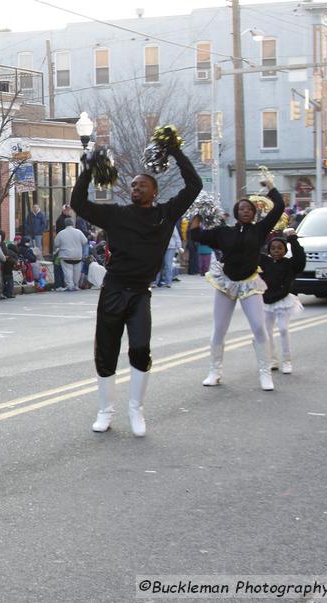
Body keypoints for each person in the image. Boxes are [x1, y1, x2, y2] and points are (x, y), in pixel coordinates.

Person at [71, 144, 201, 436]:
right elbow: (79, 202)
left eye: (142, 185)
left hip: (140, 292)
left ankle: (135, 408)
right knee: (106, 350)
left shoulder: (166, 214)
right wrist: (88, 170)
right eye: (132, 185)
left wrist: (176, 152)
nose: (136, 188)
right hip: (113, 289)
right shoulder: (117, 214)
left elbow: (195, 185)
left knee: (141, 348)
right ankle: (105, 411)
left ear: (154, 191)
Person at [190, 183, 285, 390]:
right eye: (242, 208)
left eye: (249, 209)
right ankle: (214, 371)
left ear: (253, 214)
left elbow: (278, 208)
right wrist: (197, 211)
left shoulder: (260, 230)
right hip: (226, 283)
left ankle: (265, 373)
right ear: (236, 212)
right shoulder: (224, 232)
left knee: (259, 328)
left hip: (249, 282)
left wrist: (271, 188)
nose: (245, 211)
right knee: (219, 330)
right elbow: (196, 235)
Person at [260, 231, 305, 375]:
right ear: (269, 250)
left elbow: (300, 260)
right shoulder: (264, 262)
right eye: (273, 248)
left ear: (285, 250)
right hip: (266, 301)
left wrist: (293, 240)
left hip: (283, 301)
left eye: (280, 248)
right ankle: (272, 360)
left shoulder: (289, 264)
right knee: (266, 332)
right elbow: (250, 252)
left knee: (283, 329)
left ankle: (287, 361)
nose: (276, 251)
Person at [54, 218, 88, 291]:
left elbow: (56, 244)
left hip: (65, 256)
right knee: (77, 271)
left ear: (65, 224)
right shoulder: (79, 232)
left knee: (68, 271)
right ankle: (76, 285)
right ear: (73, 224)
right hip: (77, 255)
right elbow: (85, 241)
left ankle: (70, 285)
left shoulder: (61, 233)